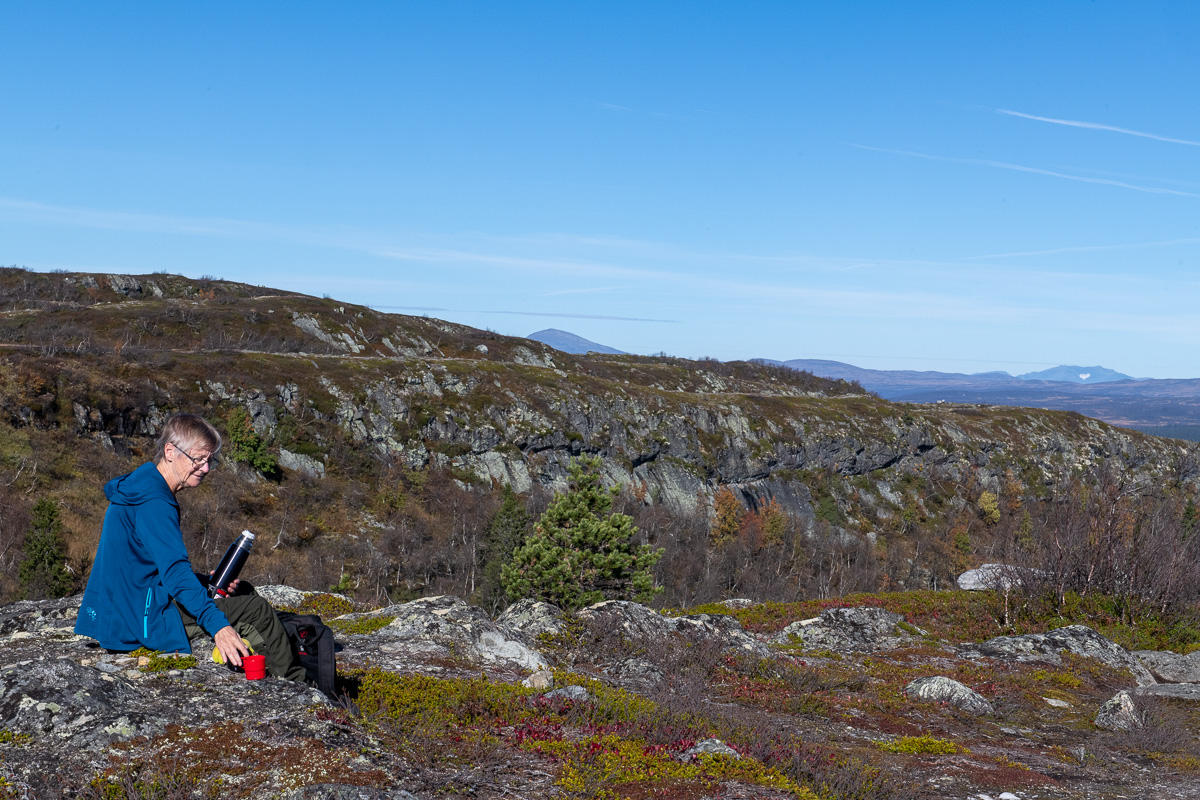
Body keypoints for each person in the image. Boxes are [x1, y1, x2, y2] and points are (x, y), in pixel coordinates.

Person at [75, 413, 306, 683]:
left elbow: (148, 566)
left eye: (210, 460)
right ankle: (299, 689)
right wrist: (218, 626)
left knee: (240, 592)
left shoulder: (141, 484)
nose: (206, 469)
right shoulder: (155, 503)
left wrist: (206, 582)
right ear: (170, 451)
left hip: (123, 610)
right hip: (141, 620)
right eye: (199, 459)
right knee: (257, 610)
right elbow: (174, 574)